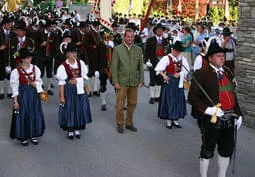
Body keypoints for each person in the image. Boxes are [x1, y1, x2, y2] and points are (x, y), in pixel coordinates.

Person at [188, 41, 243, 177]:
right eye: (218, 56)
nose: (222, 58)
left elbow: (232, 95)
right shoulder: (201, 74)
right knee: (208, 149)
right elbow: (192, 97)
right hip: (210, 120)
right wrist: (208, 110)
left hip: (230, 118)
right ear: (210, 58)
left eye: (222, 56)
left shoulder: (228, 72)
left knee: (226, 150)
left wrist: (239, 114)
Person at [9, 48, 45, 146]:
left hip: (33, 95)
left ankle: (34, 134)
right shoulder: (16, 71)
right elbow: (15, 87)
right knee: (23, 114)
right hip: (23, 96)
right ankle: (23, 136)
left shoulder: (35, 68)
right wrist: (15, 102)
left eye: (30, 57)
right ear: (22, 59)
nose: (30, 59)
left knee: (35, 113)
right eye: (28, 57)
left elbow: (40, 81)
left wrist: (36, 84)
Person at [56, 43, 92, 139]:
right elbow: (61, 83)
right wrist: (62, 96)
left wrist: (78, 80)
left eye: (75, 52)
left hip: (80, 90)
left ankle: (77, 127)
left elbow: (84, 77)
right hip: (69, 91)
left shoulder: (81, 63)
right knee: (70, 109)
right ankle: (70, 129)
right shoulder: (63, 66)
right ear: (67, 54)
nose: (74, 54)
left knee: (79, 108)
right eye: (71, 52)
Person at [111, 28, 144, 134]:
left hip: (134, 81)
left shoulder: (138, 49)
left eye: (132, 36)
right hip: (121, 81)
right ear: (124, 37)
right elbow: (114, 67)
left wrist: (141, 80)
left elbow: (141, 66)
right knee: (120, 105)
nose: (130, 38)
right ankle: (120, 124)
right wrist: (115, 81)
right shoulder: (117, 49)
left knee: (133, 103)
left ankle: (129, 123)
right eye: (128, 36)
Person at [155, 41, 189, 129]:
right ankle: (169, 120)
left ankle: (175, 118)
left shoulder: (182, 59)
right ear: (173, 50)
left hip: (179, 83)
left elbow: (187, 70)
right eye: (176, 51)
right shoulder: (167, 58)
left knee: (177, 100)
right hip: (170, 82)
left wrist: (181, 73)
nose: (177, 53)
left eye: (179, 51)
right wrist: (164, 76)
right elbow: (158, 69)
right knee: (169, 100)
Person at [145, 23, 170, 104]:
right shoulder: (150, 40)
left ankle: (158, 96)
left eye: (161, 30)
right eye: (158, 30)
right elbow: (146, 51)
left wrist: (167, 62)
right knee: (152, 79)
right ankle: (152, 96)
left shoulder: (166, 41)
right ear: (155, 31)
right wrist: (146, 60)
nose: (160, 31)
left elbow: (168, 52)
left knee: (160, 80)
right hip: (152, 62)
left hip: (162, 63)